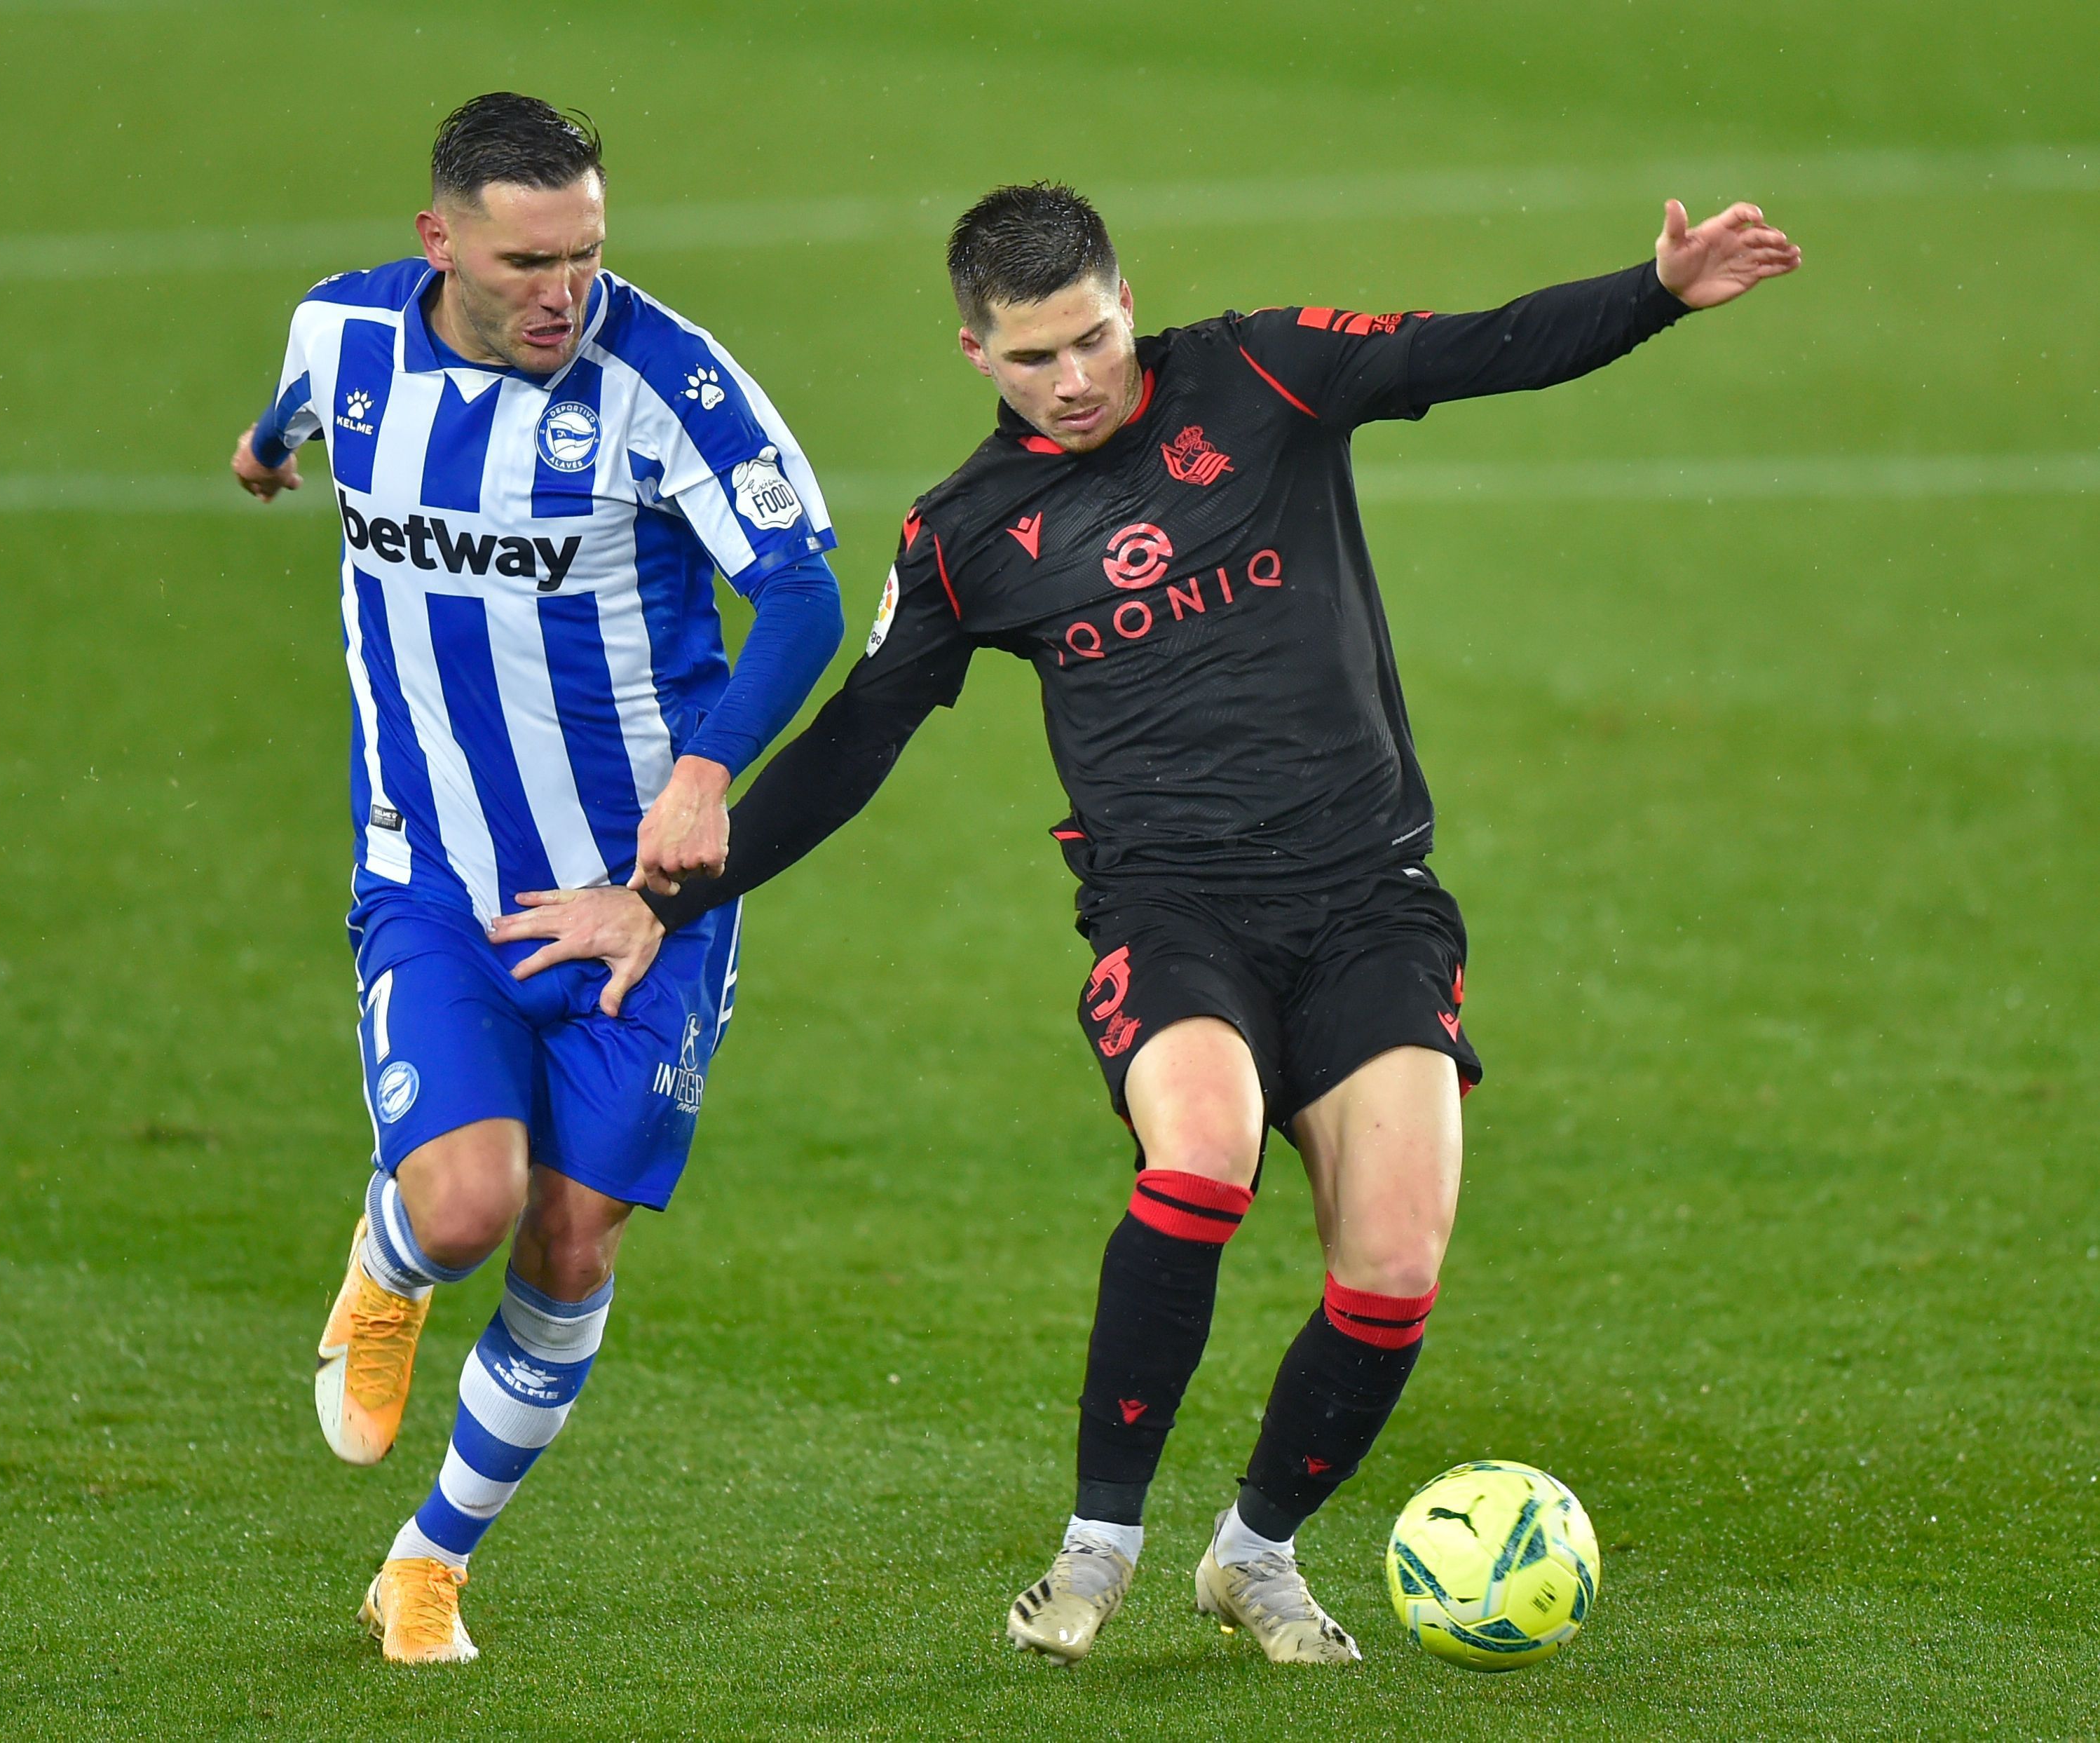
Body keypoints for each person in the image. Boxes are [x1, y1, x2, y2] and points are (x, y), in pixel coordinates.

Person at [504, 182, 1798, 1666]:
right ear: (975, 354)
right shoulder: (963, 536)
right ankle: (1096, 1546)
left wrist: (1654, 292)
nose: (1075, 380)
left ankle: (1254, 1555)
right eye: (1036, 355)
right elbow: (861, 737)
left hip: (1371, 899)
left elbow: (1479, 345)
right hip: (1171, 911)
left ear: (1130, 303)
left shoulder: (1263, 371)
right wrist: (665, 898)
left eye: (1097, 340)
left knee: (1391, 1262)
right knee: (1201, 1150)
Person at [227, 93, 843, 1664]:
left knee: (570, 1239)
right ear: (440, 242)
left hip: (642, 896)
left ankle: (430, 1559)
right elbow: (295, 400)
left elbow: (801, 594)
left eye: (586, 253)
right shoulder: (345, 334)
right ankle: (387, 1267)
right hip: (430, 863)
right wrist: (263, 447)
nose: (563, 291)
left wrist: (704, 775)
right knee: (467, 1201)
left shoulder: (665, 384)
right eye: (526, 262)